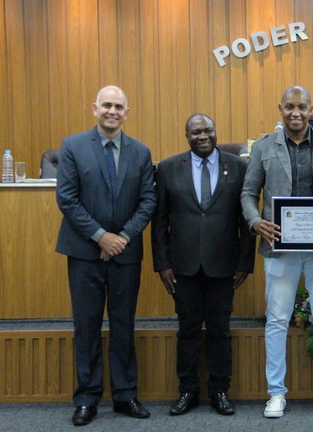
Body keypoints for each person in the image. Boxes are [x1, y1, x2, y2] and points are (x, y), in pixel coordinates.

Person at [241, 85, 313, 419]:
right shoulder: (263, 147)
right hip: (280, 248)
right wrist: (255, 222)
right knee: (277, 319)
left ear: (311, 108)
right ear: (280, 108)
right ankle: (276, 393)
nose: (295, 113)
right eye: (289, 107)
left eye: (302, 107)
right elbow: (249, 193)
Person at [55, 85, 156, 426]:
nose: (112, 111)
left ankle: (126, 396)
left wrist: (122, 237)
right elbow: (67, 199)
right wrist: (101, 237)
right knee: (86, 326)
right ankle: (87, 398)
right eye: (107, 105)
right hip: (85, 252)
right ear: (95, 108)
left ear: (127, 113)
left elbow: (148, 202)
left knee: (124, 325)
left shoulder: (141, 152)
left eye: (119, 106)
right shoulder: (72, 147)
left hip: (125, 253)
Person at [151, 114, 255, 416]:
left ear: (216, 131)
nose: (203, 136)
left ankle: (220, 391)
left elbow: (246, 217)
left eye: (208, 130)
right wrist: (162, 264)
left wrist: (245, 263)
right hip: (182, 267)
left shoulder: (238, 167)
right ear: (187, 136)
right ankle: (188, 391)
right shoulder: (169, 169)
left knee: (221, 330)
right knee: (188, 330)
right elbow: (159, 222)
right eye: (196, 132)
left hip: (225, 265)